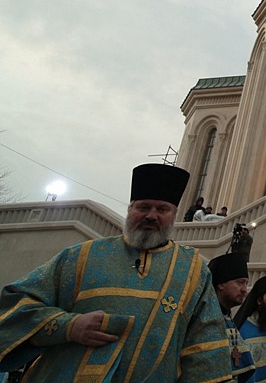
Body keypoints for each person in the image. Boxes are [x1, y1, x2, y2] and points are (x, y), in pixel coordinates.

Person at [0, 163, 232, 382]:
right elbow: (15, 303)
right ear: (130, 209)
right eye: (143, 207)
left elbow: (204, 348)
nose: (152, 215)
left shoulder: (193, 271)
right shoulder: (81, 256)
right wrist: (69, 326)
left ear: (174, 215)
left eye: (162, 209)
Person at [208, 252, 256, 382]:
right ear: (221, 284)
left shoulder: (227, 318)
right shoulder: (205, 319)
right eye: (240, 283)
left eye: (246, 283)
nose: (245, 289)